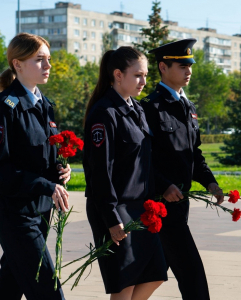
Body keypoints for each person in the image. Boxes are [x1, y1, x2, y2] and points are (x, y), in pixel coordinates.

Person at [0, 33, 71, 300]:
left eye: (49, 59)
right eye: (39, 59)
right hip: (15, 214)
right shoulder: (4, 107)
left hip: (41, 211)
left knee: (11, 283)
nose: (48, 65)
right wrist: (46, 184)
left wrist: (59, 172)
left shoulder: (45, 106)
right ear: (17, 64)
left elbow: (40, 159)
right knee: (47, 288)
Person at [141, 38, 224, 300]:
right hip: (159, 204)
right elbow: (142, 160)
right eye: (181, 65)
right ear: (163, 67)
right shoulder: (150, 107)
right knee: (191, 271)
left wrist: (209, 182)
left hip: (180, 202)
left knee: (154, 272)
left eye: (190, 65)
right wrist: (163, 185)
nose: (188, 71)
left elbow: (194, 154)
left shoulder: (187, 106)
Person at [83, 46, 167, 300]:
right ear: (118, 74)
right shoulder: (104, 113)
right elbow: (99, 171)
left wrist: (163, 188)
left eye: (145, 75)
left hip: (139, 208)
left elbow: (143, 163)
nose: (144, 81)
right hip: (115, 208)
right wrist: (111, 217)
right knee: (124, 285)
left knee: (154, 275)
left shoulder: (137, 109)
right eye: (138, 75)